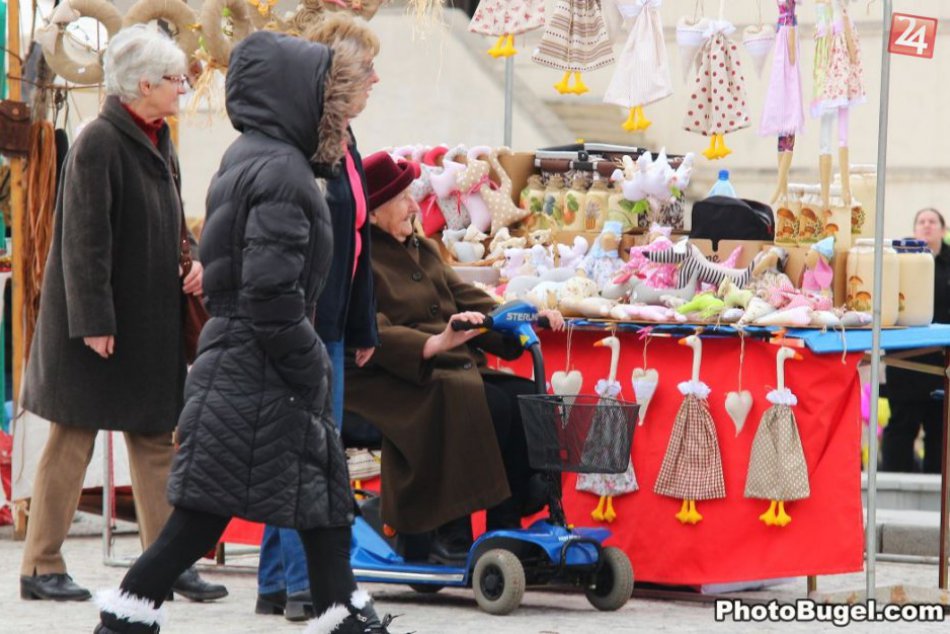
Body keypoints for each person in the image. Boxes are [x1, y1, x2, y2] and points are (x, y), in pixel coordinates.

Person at [94, 31, 397, 634]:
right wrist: (310, 360)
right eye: (322, 92)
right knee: (204, 516)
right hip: (261, 368)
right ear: (296, 96)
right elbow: (269, 292)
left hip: (249, 363)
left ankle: (343, 614)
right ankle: (125, 619)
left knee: (322, 497)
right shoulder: (283, 172)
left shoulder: (252, 156)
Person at [19, 25, 225, 604]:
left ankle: (167, 563)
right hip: (99, 329)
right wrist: (94, 323)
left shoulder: (160, 138)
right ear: (143, 84)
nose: (182, 88)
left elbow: (171, 220)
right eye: (174, 79)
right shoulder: (98, 143)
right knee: (71, 440)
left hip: (147, 326)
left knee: (157, 438)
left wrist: (193, 262)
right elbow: (83, 242)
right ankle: (40, 565)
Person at [345, 151, 564, 565]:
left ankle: (506, 522)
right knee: (472, 399)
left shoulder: (424, 250)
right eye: (402, 199)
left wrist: (526, 314)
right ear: (372, 214)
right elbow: (367, 329)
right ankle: (451, 529)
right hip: (384, 379)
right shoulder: (359, 260)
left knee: (520, 399)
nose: (415, 206)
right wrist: (430, 345)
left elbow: (472, 301)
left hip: (447, 367)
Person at [255, 15, 380, 623]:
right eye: (367, 71)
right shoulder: (306, 141)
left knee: (308, 452)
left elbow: (359, 236)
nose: (376, 80)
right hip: (302, 322)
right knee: (309, 456)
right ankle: (304, 586)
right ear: (339, 79)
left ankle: (279, 582)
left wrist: (362, 327)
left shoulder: (347, 140)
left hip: (330, 321)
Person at [882, 207, 950, 473]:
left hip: (942, 358)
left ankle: (937, 487)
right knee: (902, 422)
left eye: (932, 221)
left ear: (943, 230)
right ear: (914, 230)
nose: (926, 225)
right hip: (906, 357)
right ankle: (891, 483)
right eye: (921, 221)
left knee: (939, 427)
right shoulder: (901, 259)